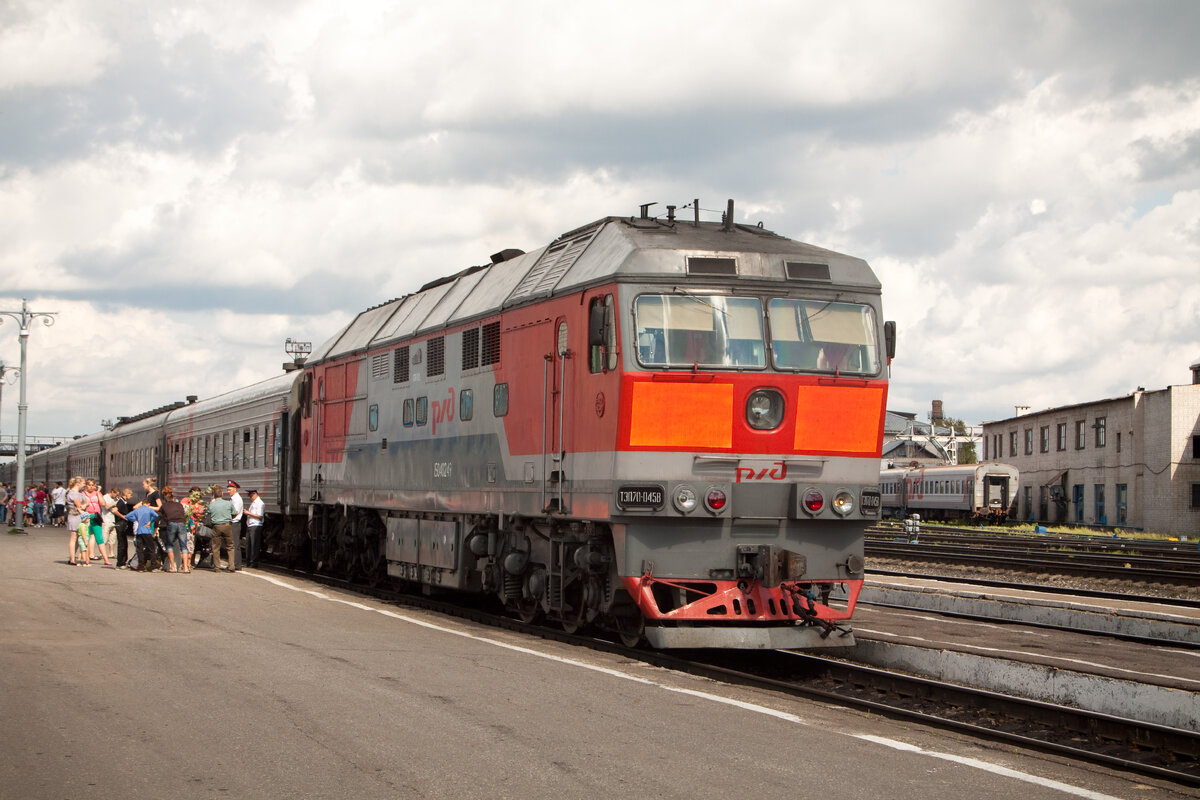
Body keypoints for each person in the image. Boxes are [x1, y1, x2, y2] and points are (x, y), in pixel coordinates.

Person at [206, 484, 236, 572]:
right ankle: (231, 567)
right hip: (227, 526)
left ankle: (217, 567)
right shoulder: (228, 503)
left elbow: (207, 513)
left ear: (214, 495)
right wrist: (229, 519)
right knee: (230, 546)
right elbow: (234, 513)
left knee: (216, 547)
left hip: (216, 527)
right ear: (222, 494)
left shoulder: (212, 504)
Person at [158, 487, 188, 573]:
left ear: (165, 498)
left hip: (171, 524)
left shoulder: (164, 506)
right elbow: (183, 514)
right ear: (173, 498)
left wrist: (155, 526)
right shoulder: (179, 505)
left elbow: (159, 517)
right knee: (183, 546)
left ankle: (173, 567)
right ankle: (186, 568)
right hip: (182, 523)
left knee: (170, 545)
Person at [81, 479, 110, 566]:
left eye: (93, 485)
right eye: (89, 485)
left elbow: (102, 503)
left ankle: (106, 559)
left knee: (99, 538)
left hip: (96, 517)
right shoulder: (82, 494)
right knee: (86, 538)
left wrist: (98, 492)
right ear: (86, 485)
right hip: (86, 517)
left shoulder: (97, 493)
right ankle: (86, 559)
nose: (91, 487)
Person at [126, 500, 159, 571]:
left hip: (139, 531)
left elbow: (128, 516)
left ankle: (141, 566)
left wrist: (135, 520)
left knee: (139, 549)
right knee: (151, 548)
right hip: (147, 531)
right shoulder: (149, 510)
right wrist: (151, 521)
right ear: (148, 503)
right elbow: (156, 516)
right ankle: (153, 566)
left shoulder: (138, 510)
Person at [65, 477, 85, 565]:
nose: (84, 485)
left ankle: (72, 557)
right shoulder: (73, 494)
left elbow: (87, 502)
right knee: (74, 537)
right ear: (78, 484)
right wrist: (83, 506)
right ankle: (72, 559)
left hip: (78, 517)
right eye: (83, 483)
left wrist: (83, 505)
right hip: (74, 517)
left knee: (77, 538)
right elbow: (79, 505)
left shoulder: (79, 494)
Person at [113, 488, 134, 568]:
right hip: (120, 524)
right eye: (130, 494)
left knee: (125, 544)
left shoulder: (124, 502)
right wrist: (123, 517)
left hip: (123, 524)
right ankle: (120, 562)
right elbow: (114, 510)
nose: (131, 496)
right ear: (126, 494)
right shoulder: (121, 502)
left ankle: (123, 561)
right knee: (121, 544)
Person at [243, 488, 264, 568]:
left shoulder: (260, 503)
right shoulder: (253, 503)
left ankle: (253, 562)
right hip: (250, 525)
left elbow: (260, 516)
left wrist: (248, 513)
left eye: (250, 495)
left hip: (256, 525)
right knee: (248, 544)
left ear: (255, 494)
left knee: (254, 545)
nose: (250, 497)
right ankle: (248, 561)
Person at [227, 481, 244, 570]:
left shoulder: (236, 499)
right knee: (232, 544)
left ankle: (237, 564)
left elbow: (235, 513)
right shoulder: (233, 498)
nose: (228, 491)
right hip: (232, 523)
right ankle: (233, 563)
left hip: (235, 523)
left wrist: (226, 518)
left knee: (234, 544)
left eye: (230, 490)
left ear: (235, 489)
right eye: (228, 490)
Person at [101, 487, 120, 561]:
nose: (116, 496)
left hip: (113, 520)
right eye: (116, 494)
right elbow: (106, 507)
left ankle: (111, 553)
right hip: (106, 519)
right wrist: (114, 503)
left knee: (112, 537)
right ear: (112, 492)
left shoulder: (115, 499)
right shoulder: (105, 497)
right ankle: (102, 553)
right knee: (104, 538)